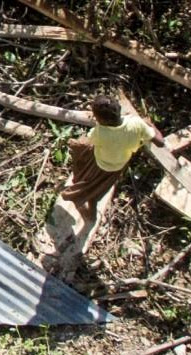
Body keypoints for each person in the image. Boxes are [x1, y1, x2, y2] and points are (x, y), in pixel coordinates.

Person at [53, 92, 156, 269]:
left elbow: (90, 142)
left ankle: (86, 211)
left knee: (88, 186)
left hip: (101, 165)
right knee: (99, 189)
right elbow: (157, 140)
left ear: (101, 120)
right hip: (118, 166)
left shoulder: (100, 132)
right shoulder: (136, 124)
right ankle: (90, 206)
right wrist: (150, 127)